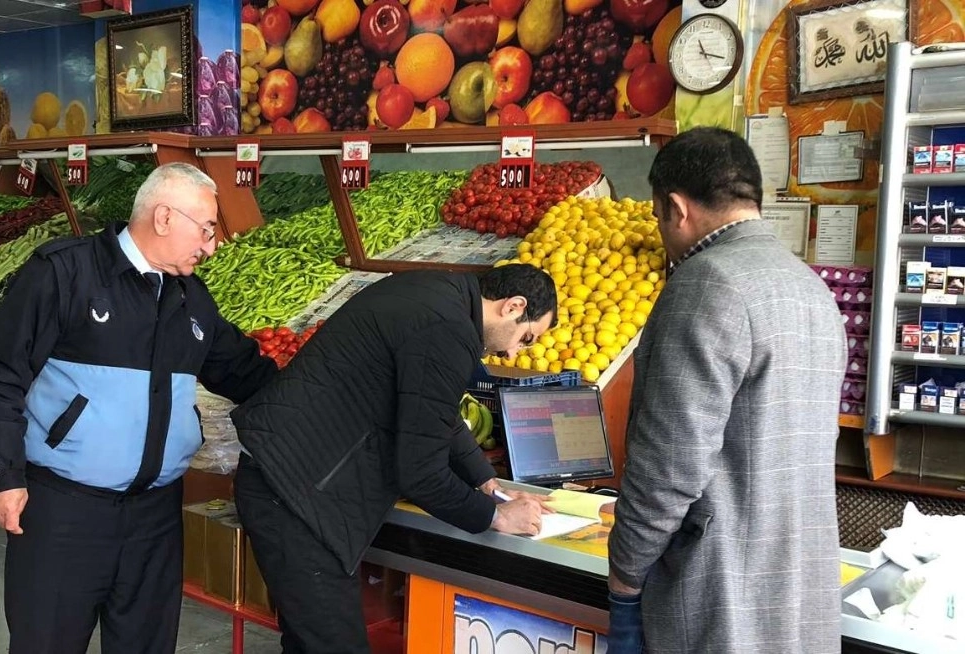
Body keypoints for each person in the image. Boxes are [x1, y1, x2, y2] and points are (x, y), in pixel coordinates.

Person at [0, 162, 277, 654]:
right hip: (63, 514)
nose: (212, 245)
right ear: (164, 218)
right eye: (207, 229)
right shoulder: (64, 273)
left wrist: (326, 390)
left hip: (156, 520)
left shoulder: (192, 301)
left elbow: (247, 374)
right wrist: (2, 476)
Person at [231, 263, 557, 653]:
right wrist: (495, 516)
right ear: (513, 306)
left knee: (311, 641)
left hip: (289, 477)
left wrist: (485, 480)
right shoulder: (450, 330)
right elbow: (420, 471)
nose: (512, 351)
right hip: (295, 492)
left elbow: (434, 410)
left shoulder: (440, 294)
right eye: (527, 338)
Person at [607, 127, 847, 653]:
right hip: (798, 587)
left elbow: (668, 469)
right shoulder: (812, 288)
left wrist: (625, 575)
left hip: (719, 593)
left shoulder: (703, 283)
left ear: (675, 208)